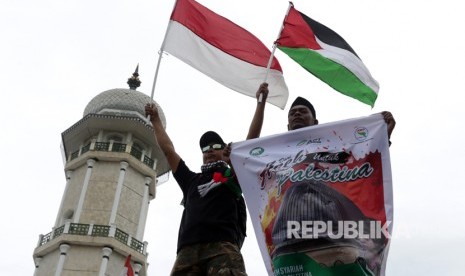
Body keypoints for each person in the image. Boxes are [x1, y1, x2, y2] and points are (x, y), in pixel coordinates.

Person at [249, 83, 396, 275]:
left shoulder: (332, 147)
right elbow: (247, 155)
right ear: (287, 125)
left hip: (333, 243)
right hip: (288, 247)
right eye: (292, 113)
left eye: (303, 111)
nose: (297, 114)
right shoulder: (274, 156)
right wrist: (261, 104)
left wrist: (384, 133)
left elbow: (364, 159)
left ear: (315, 121)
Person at [145, 95, 268, 275]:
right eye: (205, 148)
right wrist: (155, 120)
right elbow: (168, 150)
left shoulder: (232, 176)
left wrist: (261, 103)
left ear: (224, 150)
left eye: (216, 146)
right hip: (187, 252)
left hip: (222, 247)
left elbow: (250, 141)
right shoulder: (191, 180)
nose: (209, 150)